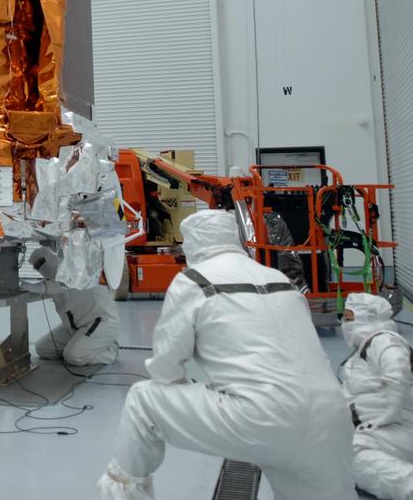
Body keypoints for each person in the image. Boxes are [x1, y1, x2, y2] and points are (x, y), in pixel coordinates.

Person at [96, 209, 354, 500]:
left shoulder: (194, 280)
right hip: (331, 415)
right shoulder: (279, 279)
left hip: (261, 417)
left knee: (144, 400)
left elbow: (165, 372)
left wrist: (198, 391)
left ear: (192, 244)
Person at [341, 292, 413, 500]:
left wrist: (390, 414)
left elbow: (396, 370)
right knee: (334, 450)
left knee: (348, 453)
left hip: (409, 433)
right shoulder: (359, 356)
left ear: (371, 317)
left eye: (349, 318)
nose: (344, 323)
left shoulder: (384, 340)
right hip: (389, 435)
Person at [24, 247, 120, 365]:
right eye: (37, 266)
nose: (40, 267)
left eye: (41, 262)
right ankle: (81, 346)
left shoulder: (72, 270)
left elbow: (53, 286)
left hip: (101, 323)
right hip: (75, 327)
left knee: (74, 357)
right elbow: (49, 289)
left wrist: (26, 285)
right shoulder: (52, 280)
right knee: (42, 348)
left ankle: (110, 351)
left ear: (51, 257)